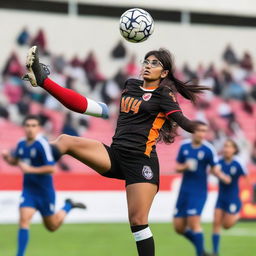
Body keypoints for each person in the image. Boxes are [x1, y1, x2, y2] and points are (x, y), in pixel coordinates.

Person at [24, 46, 210, 256]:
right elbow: (93, 108)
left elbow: (182, 121)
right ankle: (31, 155)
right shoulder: (130, 85)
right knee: (65, 141)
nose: (148, 66)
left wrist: (201, 129)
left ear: (164, 73)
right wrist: (46, 83)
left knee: (138, 222)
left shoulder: (164, 94)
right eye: (146, 61)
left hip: (142, 163)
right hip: (116, 155)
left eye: (155, 63)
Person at [1, 115, 86, 256]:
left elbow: (52, 168)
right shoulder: (21, 144)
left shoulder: (42, 144)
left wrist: (30, 170)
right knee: (23, 220)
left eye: (33, 126)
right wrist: (8, 159)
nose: (30, 129)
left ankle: (68, 205)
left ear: (39, 128)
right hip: (29, 191)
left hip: (44, 193)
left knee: (52, 226)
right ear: (24, 128)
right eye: (28, 125)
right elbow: (16, 162)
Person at [173, 121, 231, 256]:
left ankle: (200, 253)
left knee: (194, 222)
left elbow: (215, 168)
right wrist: (185, 166)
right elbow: (177, 167)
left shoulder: (208, 149)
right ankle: (202, 249)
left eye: (204, 131)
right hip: (184, 191)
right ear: (193, 131)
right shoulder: (184, 146)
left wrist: (220, 175)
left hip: (199, 192)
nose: (202, 133)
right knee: (179, 227)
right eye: (199, 130)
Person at [211, 139, 250, 256]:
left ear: (234, 149)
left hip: (233, 198)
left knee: (226, 226)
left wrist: (244, 191)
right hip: (221, 197)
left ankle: (237, 215)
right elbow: (212, 170)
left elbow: (246, 178)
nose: (226, 149)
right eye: (225, 146)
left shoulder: (238, 162)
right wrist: (216, 173)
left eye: (229, 147)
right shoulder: (218, 161)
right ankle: (215, 252)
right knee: (216, 223)